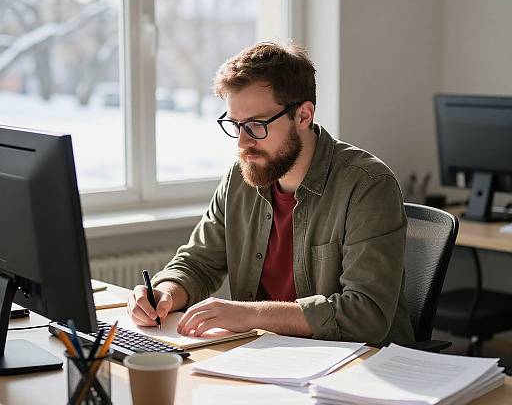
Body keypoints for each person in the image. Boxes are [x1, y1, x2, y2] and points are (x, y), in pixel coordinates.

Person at [128, 42, 414, 346]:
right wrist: (165, 292)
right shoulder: (240, 178)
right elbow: (198, 263)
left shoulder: (368, 185)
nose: (242, 143)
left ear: (303, 116)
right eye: (235, 124)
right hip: (267, 359)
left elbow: (365, 315)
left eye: (256, 125)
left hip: (358, 368)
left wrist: (250, 316)